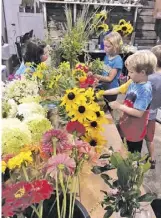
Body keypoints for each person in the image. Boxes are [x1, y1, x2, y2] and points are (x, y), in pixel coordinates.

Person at [101, 50, 157, 153]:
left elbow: (139, 113)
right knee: (123, 149)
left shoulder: (145, 89)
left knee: (132, 157)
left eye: (131, 72)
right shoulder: (133, 82)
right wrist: (102, 92)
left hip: (135, 131)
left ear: (142, 73)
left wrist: (119, 106)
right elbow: (119, 89)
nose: (129, 75)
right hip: (126, 125)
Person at [90, 32, 123, 110]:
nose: (105, 48)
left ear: (116, 47)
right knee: (102, 107)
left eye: (108, 46)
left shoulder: (117, 60)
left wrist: (96, 76)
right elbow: (105, 71)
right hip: (104, 88)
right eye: (104, 45)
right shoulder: (107, 57)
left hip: (111, 90)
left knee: (109, 108)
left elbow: (109, 78)